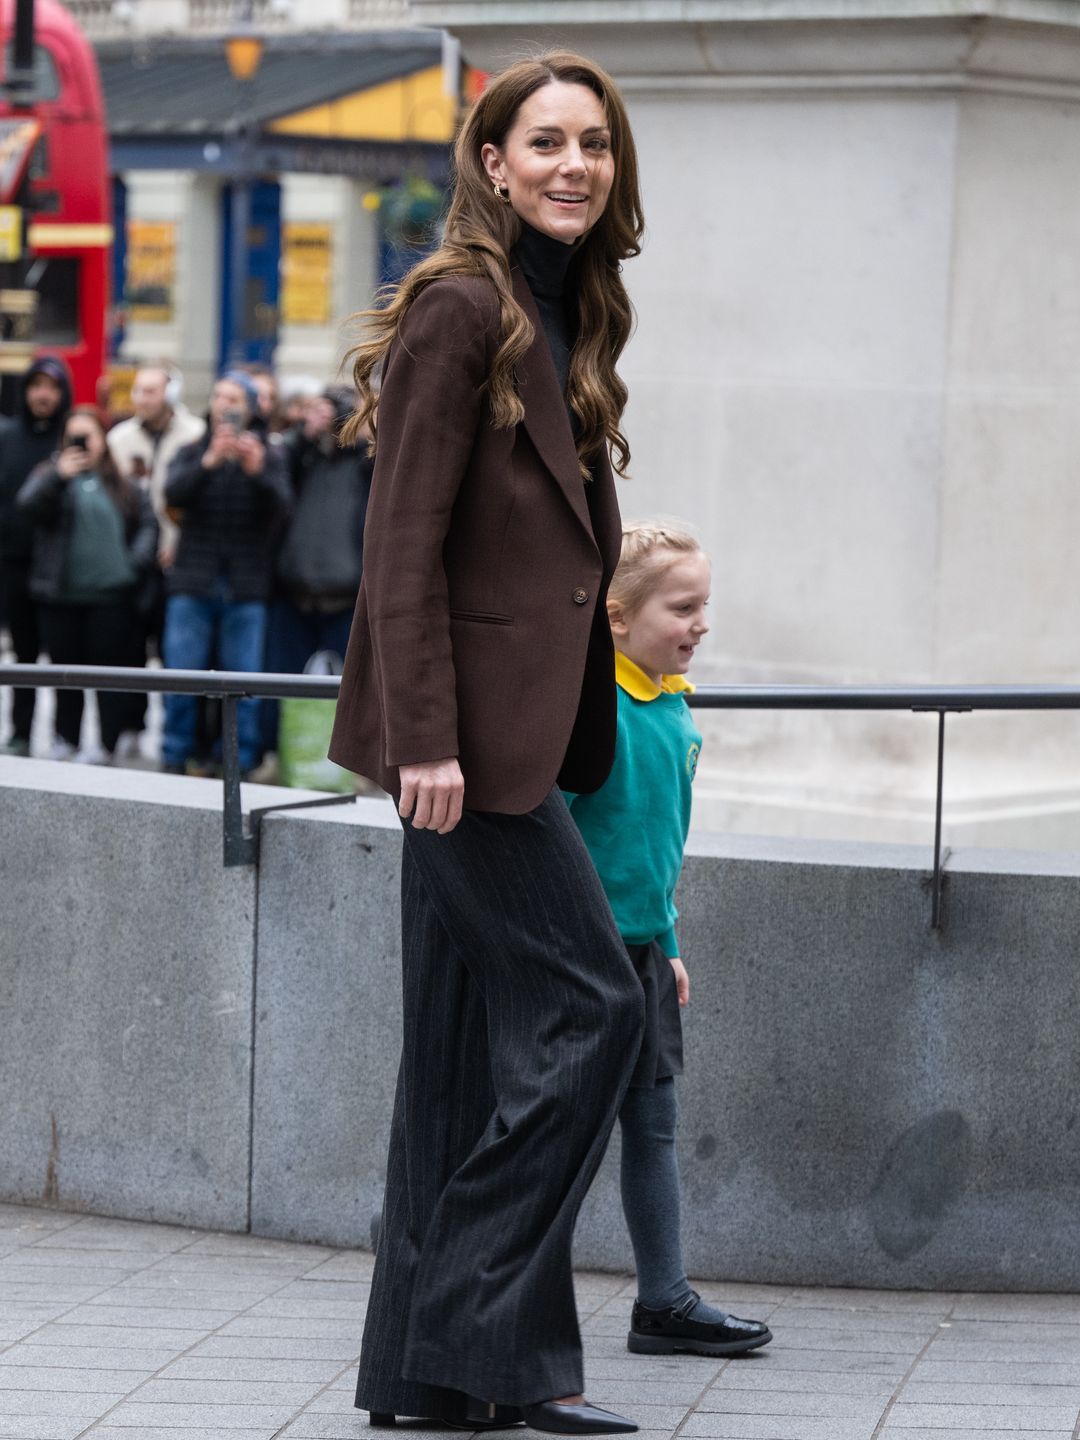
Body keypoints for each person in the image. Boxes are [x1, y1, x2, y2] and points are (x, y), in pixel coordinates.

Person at [328, 50, 647, 1436]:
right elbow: (398, 551)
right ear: (494, 161)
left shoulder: (555, 309)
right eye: (549, 142)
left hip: (507, 744)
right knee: (595, 1011)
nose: (575, 164)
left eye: (597, 144)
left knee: (461, 1062)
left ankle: (441, 1377)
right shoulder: (465, 308)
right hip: (464, 753)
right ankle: (475, 1318)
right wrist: (429, 745)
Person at [565, 523, 773, 1359]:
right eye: (682, 607)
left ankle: (664, 1302)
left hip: (644, 954)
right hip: (582, 958)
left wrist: (668, 937)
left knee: (652, 1129)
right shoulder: (591, 712)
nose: (700, 624)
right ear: (615, 617)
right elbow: (562, 843)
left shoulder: (673, 705)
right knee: (556, 1136)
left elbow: (653, 847)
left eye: (705, 607)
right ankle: (481, 1272)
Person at [159, 370, 290, 777]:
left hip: (246, 586)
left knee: (243, 682)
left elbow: (284, 508)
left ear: (250, 408)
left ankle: (239, 759)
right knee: (182, 678)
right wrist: (208, 462)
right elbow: (172, 495)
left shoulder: (269, 453)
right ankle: (174, 755)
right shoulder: (193, 448)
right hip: (193, 582)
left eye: (234, 398)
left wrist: (258, 472)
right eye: (219, 396)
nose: (224, 405)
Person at [15, 407, 158, 762]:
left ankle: (106, 742)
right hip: (60, 598)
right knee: (67, 675)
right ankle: (67, 737)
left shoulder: (122, 483)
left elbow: (148, 524)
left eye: (88, 436)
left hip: (111, 599)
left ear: (103, 439)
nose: (81, 444)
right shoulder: (51, 475)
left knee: (109, 677)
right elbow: (27, 505)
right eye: (73, 437)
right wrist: (57, 477)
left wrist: (132, 565)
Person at [256, 385, 372, 780]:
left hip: (348, 599)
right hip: (294, 596)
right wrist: (304, 432)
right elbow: (277, 465)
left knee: (354, 694)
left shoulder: (366, 463)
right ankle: (275, 757)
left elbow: (384, 456)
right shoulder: (302, 458)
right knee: (279, 685)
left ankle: (354, 767)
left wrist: (357, 425)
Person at [0, 355, 72, 755]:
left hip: (60, 567)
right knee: (23, 654)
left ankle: (65, 735)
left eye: (52, 387)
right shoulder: (8, 436)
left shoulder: (70, 436)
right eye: (36, 386)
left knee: (63, 654)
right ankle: (21, 732)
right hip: (14, 562)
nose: (43, 395)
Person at [106, 362, 206, 570]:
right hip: (131, 550)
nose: (142, 399)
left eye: (151, 392)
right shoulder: (118, 439)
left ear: (171, 394)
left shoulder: (196, 434)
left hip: (181, 552)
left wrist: (179, 544)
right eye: (138, 391)